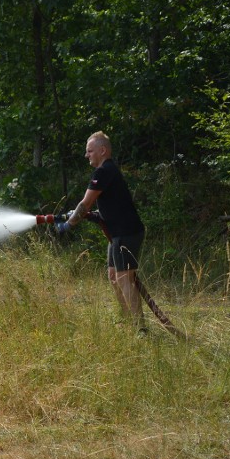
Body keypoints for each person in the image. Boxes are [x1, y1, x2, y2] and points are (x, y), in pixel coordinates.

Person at [57, 131, 146, 331]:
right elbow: (111, 203)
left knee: (124, 279)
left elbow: (85, 204)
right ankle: (129, 320)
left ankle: (140, 328)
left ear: (102, 150)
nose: (86, 155)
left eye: (89, 151)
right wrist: (97, 215)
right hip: (117, 234)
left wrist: (68, 225)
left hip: (126, 233)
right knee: (114, 276)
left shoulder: (103, 171)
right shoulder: (108, 171)